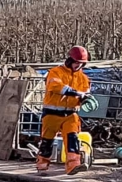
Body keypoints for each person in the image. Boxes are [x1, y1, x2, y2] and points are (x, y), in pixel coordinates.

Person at [36, 46, 92, 175]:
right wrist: (76, 93)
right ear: (69, 60)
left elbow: (85, 93)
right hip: (52, 113)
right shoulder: (55, 72)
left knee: (73, 139)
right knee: (47, 140)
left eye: (81, 63)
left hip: (71, 113)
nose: (78, 65)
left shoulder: (84, 78)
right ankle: (42, 165)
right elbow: (56, 86)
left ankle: (73, 166)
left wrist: (86, 99)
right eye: (76, 62)